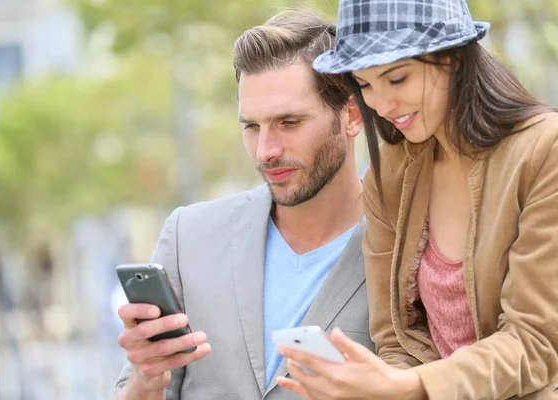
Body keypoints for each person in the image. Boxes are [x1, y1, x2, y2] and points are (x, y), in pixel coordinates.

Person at [276, 0, 558, 399]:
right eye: (367, 84)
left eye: (398, 78)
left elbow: (538, 343)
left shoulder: (545, 151)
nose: (383, 105)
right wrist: (372, 387)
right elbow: (396, 340)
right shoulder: (390, 173)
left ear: (454, 58)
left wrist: (412, 387)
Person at [112, 10, 375, 400]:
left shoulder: (409, 244)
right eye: (251, 126)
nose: (265, 151)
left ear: (351, 114)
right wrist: (144, 381)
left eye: (289, 122)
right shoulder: (190, 238)